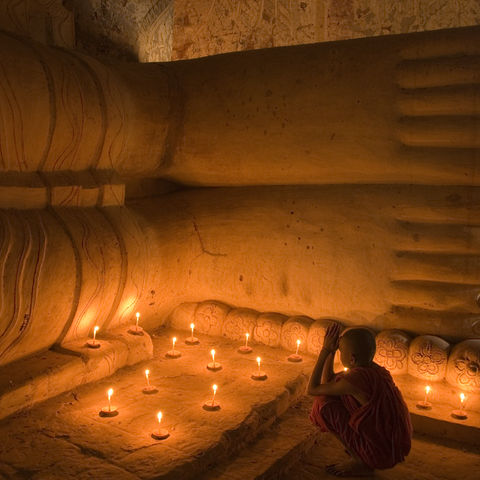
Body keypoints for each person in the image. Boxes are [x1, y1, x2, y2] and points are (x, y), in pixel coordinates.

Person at [307, 323, 412, 477]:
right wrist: (333, 351)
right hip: (394, 447)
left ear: (352, 359)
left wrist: (325, 351)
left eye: (340, 350)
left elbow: (312, 389)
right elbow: (329, 381)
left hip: (380, 454)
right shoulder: (376, 371)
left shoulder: (355, 380)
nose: (338, 351)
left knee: (323, 404)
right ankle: (362, 452)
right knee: (334, 395)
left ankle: (360, 460)